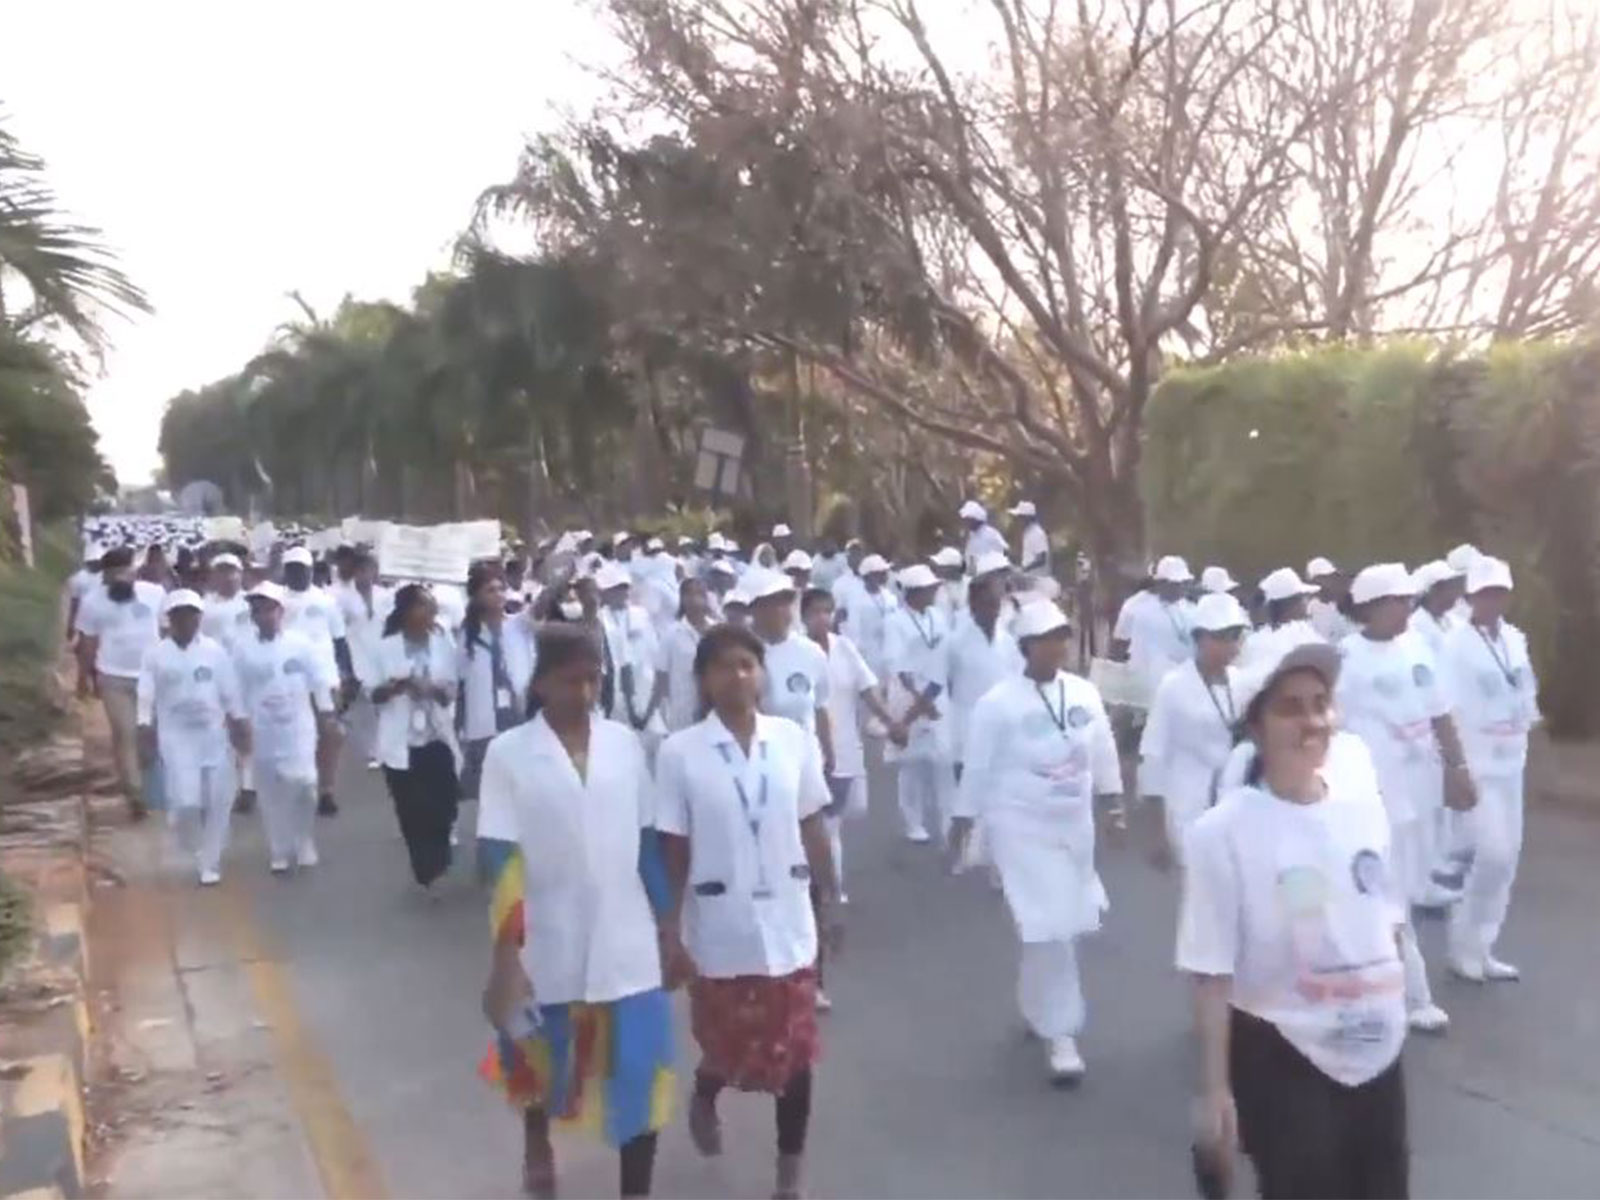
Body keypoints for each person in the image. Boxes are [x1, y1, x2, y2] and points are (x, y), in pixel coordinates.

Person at [1180, 644, 1410, 1200]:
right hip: (1284, 1052)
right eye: (1290, 708)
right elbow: (1210, 970)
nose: (1311, 722)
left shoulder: (1364, 813)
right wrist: (1215, 1092)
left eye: (1320, 704)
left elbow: (1389, 926)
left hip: (1377, 1055)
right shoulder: (1222, 832)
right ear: (1255, 726)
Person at [477, 626, 682, 1199]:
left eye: (595, 678)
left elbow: (645, 842)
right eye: (573, 680)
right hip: (548, 935)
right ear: (541, 684)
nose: (586, 691)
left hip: (628, 936)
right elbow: (499, 854)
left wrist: (668, 925)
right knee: (543, 1060)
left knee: (641, 1070)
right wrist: (508, 949)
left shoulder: (625, 744)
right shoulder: (509, 754)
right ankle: (537, 1139)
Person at [655, 625, 841, 1200]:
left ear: (760, 673)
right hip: (718, 922)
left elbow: (811, 820)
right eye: (723, 668)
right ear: (704, 681)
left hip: (788, 919)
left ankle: (789, 1176)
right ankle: (708, 1091)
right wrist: (668, 931)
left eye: (746, 665)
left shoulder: (791, 740)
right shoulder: (679, 753)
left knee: (796, 1051)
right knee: (730, 1044)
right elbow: (673, 844)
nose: (737, 677)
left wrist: (831, 898)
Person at [947, 602, 1122, 1084]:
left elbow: (1103, 750)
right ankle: (1062, 1035)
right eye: (1047, 638)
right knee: (1051, 925)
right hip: (1019, 826)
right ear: (1025, 647)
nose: (1058, 646)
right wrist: (962, 821)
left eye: (1062, 636)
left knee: (1053, 923)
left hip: (1073, 826)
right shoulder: (997, 704)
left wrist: (1114, 806)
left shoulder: (1084, 692)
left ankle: (1035, 1006)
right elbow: (977, 768)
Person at [1336, 562, 1475, 1034]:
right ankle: (1413, 996)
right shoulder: (1344, 660)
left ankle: (1367, 984)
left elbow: (1440, 713)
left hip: (1421, 793)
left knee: (1402, 896)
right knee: (1389, 898)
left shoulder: (1416, 647)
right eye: (1398, 602)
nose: (1406, 610)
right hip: (1371, 797)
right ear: (1371, 607)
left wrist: (1458, 768)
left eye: (1409, 601)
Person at [1440, 556, 1539, 982]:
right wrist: (1454, 765)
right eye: (1484, 593)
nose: (1493, 600)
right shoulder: (1455, 645)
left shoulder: (1515, 639)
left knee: (1508, 859)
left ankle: (1483, 946)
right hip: (1478, 762)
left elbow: (1526, 690)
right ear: (1470, 596)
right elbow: (1444, 708)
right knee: (1492, 853)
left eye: (1499, 592)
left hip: (1511, 759)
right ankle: (1462, 943)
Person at [136, 590, 249, 885]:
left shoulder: (214, 651)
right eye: (180, 615)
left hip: (213, 734)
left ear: (200, 617)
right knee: (186, 802)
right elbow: (145, 695)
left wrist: (240, 723)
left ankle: (210, 861)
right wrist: (143, 727)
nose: (187, 620)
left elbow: (230, 691)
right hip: (176, 738)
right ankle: (196, 846)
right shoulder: (155, 654)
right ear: (170, 619)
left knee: (218, 799)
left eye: (192, 614)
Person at [802, 588, 901, 905]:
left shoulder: (844, 649)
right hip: (804, 752)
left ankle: (827, 886)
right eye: (815, 611)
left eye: (827, 611)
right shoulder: (796, 652)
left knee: (832, 823)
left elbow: (868, 689)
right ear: (803, 616)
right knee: (813, 825)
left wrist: (891, 721)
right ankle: (821, 888)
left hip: (842, 750)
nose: (822, 618)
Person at [1139, 593, 1250, 872]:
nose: (1232, 646)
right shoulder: (1174, 686)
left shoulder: (1241, 684)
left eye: (1236, 637)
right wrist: (1154, 833)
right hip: (1189, 805)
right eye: (1223, 637)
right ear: (1200, 638)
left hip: (1235, 803)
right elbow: (1153, 754)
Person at [233, 582, 336, 873]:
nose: (264, 616)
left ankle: (303, 838)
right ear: (252, 616)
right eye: (257, 611)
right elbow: (235, 690)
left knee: (305, 786)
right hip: (262, 729)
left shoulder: (301, 645)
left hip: (298, 727)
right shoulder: (243, 649)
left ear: (281, 611)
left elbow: (319, 681)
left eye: (269, 609)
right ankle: (279, 848)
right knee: (271, 792)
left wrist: (327, 712)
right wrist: (239, 722)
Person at [372, 584, 462, 891]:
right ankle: (428, 871)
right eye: (424, 606)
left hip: (436, 735)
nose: (431, 612)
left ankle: (440, 854)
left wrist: (435, 690)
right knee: (412, 809)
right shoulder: (385, 648)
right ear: (407, 611)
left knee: (445, 802)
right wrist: (398, 687)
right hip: (402, 741)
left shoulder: (443, 643)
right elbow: (373, 693)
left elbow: (451, 690)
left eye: (433, 606)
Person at [75, 546, 167, 820]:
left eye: (123, 573)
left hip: (152, 678)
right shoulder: (92, 602)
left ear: (133, 571)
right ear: (104, 576)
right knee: (124, 735)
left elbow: (166, 632)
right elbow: (88, 643)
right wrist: (83, 677)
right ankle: (135, 796)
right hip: (113, 678)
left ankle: (152, 787)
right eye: (112, 575)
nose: (119, 580)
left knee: (149, 739)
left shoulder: (155, 594)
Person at [884, 564, 953, 844]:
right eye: (929, 589)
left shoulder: (939, 616)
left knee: (943, 760)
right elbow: (899, 666)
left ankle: (949, 822)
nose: (935, 592)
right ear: (914, 593)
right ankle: (914, 821)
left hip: (938, 693)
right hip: (908, 695)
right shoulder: (895, 622)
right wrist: (919, 701)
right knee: (911, 764)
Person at [280, 545, 349, 816]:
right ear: (286, 571)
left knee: (330, 735)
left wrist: (347, 674)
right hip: (288, 681)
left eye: (303, 569)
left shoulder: (326, 601)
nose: (299, 574)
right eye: (293, 569)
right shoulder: (275, 601)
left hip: (324, 679)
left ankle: (326, 791)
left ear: (311, 570)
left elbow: (339, 641)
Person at [458, 565, 536, 800]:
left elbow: (542, 604)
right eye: (490, 590)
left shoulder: (518, 625)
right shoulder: (467, 635)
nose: (499, 595)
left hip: (517, 715)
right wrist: (459, 729)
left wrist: (559, 576)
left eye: (501, 589)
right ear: (477, 597)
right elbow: (460, 685)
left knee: (522, 784)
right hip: (484, 724)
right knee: (491, 791)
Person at [335, 548, 394, 770]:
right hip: (356, 650)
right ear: (354, 572)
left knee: (384, 701)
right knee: (364, 706)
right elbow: (338, 629)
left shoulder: (385, 596)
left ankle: (386, 747)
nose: (365, 575)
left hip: (381, 650)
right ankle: (371, 750)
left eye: (369, 570)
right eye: (361, 570)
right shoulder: (342, 597)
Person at [1111, 555, 1196, 701]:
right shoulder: (1135, 606)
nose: (1180, 588)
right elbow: (1119, 644)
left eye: (1183, 583)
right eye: (1174, 583)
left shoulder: (1190, 609)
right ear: (1160, 583)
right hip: (1144, 686)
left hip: (1180, 688)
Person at [596, 564, 665, 743]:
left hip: (644, 685)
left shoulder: (641, 614)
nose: (622, 592)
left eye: (624, 587)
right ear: (606, 592)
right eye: (616, 589)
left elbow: (654, 650)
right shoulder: (600, 618)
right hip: (615, 691)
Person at [654, 576, 715, 734]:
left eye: (699, 593)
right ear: (682, 599)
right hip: (683, 711)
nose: (695, 599)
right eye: (689, 594)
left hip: (715, 707)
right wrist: (663, 712)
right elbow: (661, 677)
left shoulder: (717, 631)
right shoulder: (671, 633)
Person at [1240, 567, 1325, 672]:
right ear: (1290, 605)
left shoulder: (1254, 642)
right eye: (1303, 597)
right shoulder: (1303, 640)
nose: (1307, 602)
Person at [841, 554, 897, 682]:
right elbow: (854, 631)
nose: (884, 576)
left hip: (889, 651)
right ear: (868, 576)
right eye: (880, 573)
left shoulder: (890, 596)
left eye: (885, 572)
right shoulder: (856, 599)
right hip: (868, 654)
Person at [1306, 557, 1355, 643]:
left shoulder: (1354, 601)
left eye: (1327, 578)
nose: (1325, 583)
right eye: (1319, 580)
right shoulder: (1312, 607)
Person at [1010, 501, 1051, 579]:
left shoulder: (1037, 533)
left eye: (1020, 517)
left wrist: (1023, 569)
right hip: (1029, 578)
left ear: (1027, 518)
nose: (1017, 521)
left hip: (1038, 580)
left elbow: (1042, 559)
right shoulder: (1028, 532)